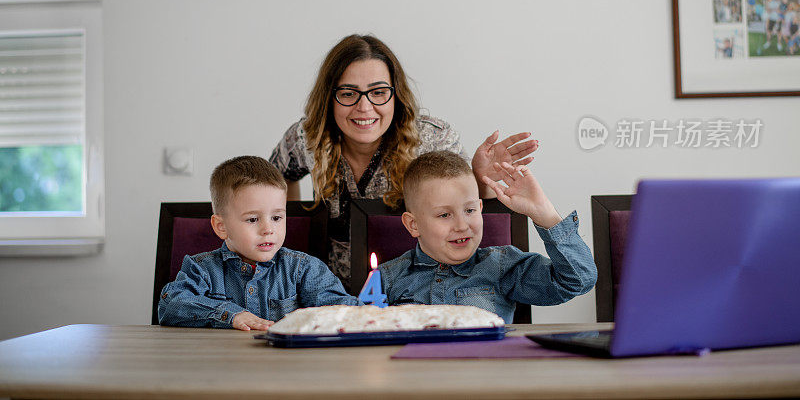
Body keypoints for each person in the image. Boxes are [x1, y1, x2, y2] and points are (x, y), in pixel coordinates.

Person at [269, 34, 537, 282]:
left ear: (395, 94)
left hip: (419, 289)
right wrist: (293, 234)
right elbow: (276, 180)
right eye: (348, 94)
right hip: (333, 292)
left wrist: (482, 179)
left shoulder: (434, 139)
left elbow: (469, 211)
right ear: (329, 98)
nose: (364, 107)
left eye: (378, 92)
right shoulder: (307, 137)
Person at [376, 151, 597, 324]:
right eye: (444, 215)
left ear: (480, 208)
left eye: (470, 211)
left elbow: (578, 280)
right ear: (413, 225)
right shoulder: (388, 279)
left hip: (488, 378)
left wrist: (545, 213)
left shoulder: (502, 267)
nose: (462, 226)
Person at [158, 156, 357, 330]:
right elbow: (171, 305)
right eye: (253, 219)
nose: (268, 229)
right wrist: (230, 314)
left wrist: (370, 312)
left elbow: (340, 309)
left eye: (277, 218)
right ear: (221, 226)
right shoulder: (201, 270)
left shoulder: (303, 269)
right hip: (221, 365)